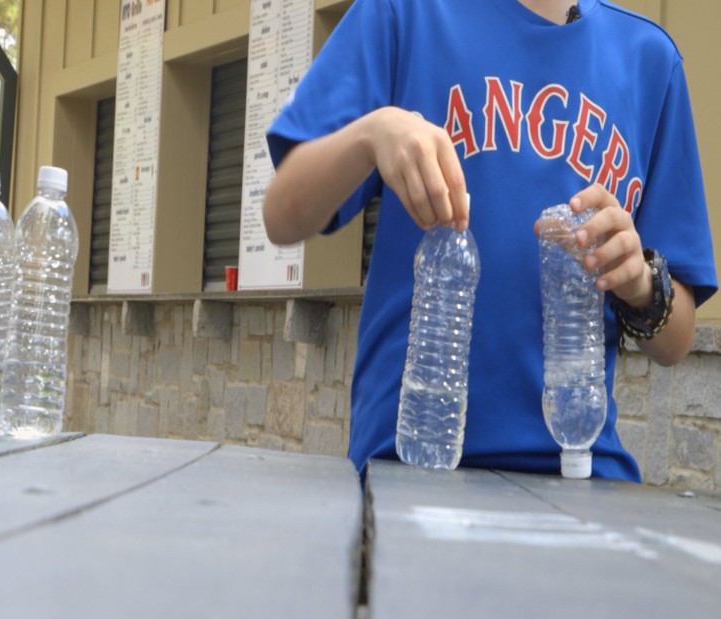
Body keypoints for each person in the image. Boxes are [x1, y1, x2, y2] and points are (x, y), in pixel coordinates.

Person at [264, 0, 716, 480]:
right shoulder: (404, 14)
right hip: (414, 460)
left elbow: (676, 342)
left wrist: (640, 285)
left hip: (579, 467)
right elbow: (282, 216)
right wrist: (371, 134)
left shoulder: (648, 58)